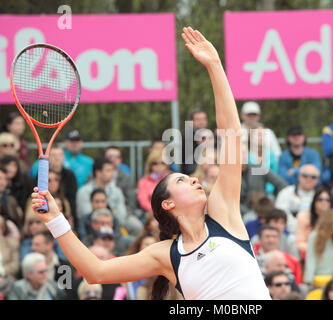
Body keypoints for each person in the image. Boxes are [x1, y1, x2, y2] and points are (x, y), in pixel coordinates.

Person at [29, 27, 271, 300]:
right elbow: (95, 271)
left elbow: (231, 135)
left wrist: (215, 65)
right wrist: (54, 219)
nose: (194, 179)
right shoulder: (166, 255)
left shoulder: (223, 216)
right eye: (181, 180)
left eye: (189, 177)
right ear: (168, 204)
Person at [77, 158, 142, 237]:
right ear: (98, 173)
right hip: (92, 228)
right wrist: (112, 213)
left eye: (112, 170)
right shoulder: (84, 192)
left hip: (116, 223)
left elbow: (122, 216)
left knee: (138, 227)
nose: (113, 174)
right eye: (108, 170)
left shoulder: (117, 191)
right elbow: (87, 215)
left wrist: (111, 219)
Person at [30, 145, 78, 221]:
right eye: (54, 155)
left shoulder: (70, 175)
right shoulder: (41, 174)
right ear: (48, 157)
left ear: (64, 157)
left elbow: (72, 199)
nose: (57, 158)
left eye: (59, 155)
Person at [240, 144, 287, 216]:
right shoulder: (228, 174)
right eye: (238, 153)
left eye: (244, 153)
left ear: (248, 154)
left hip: (262, 211)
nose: (242, 156)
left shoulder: (258, 169)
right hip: (238, 213)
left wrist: (273, 202)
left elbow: (282, 184)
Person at [304, 209, 333, 287]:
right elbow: (311, 259)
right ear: (329, 223)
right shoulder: (314, 236)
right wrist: (309, 280)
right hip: (319, 279)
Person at [275, 164, 319, 233]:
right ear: (299, 176)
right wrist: (299, 227)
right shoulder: (286, 192)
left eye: (313, 177)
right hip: (290, 233)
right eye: (305, 176)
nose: (309, 179)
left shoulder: (321, 196)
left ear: (317, 179)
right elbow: (280, 214)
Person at [295, 187, 332, 261]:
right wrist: (316, 250)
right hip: (309, 253)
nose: (324, 202)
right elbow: (299, 243)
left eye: (327, 200)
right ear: (314, 201)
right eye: (320, 199)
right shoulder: (304, 216)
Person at [104, 146, 137, 218]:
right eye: (110, 156)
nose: (113, 159)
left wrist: (124, 214)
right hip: (100, 215)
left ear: (120, 159)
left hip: (122, 214)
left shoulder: (126, 177)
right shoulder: (95, 175)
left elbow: (131, 201)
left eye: (117, 157)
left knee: (137, 227)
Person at [248, 126, 278, 195]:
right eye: (258, 135)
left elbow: (275, 174)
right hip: (251, 193)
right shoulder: (246, 156)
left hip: (269, 193)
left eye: (263, 135)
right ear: (251, 137)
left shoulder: (270, 155)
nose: (261, 137)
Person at [181, 108, 209, 175]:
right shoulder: (188, 135)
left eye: (204, 119)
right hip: (192, 174)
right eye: (198, 119)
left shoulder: (207, 134)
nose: (201, 122)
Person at [0, 167, 23, 233]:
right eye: (0, 178)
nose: (2, 182)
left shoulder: (11, 199)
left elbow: (17, 222)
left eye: (5, 179)